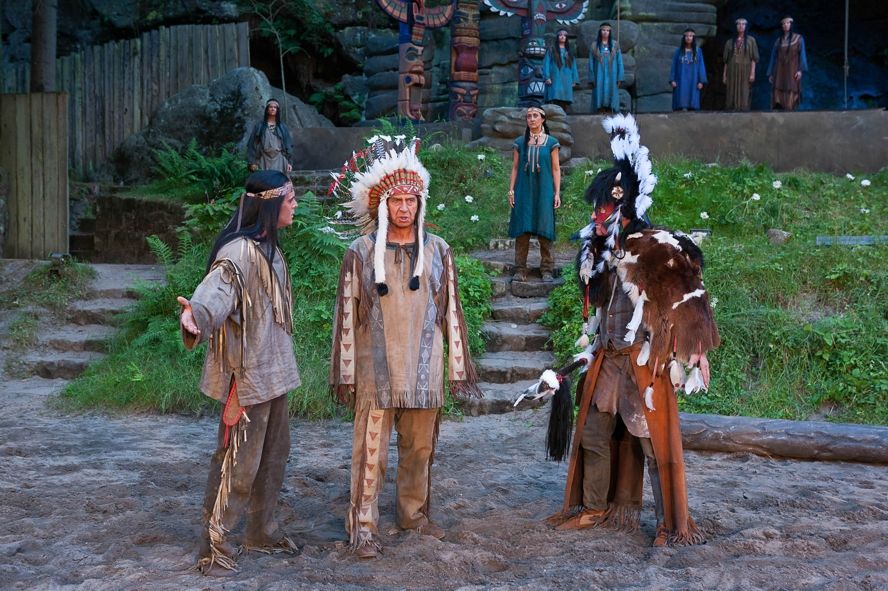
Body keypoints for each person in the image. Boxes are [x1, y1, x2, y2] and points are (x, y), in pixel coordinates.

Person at [546, 113, 720, 547]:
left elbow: (689, 293)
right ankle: (595, 508)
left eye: (607, 208)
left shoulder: (655, 247)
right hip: (609, 359)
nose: (598, 216)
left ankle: (669, 525)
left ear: (625, 207)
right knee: (591, 433)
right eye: (596, 209)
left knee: (652, 444)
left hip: (645, 364)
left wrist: (696, 350)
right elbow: (599, 302)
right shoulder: (600, 252)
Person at [328, 137, 482, 559]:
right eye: (396, 200)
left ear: (420, 204)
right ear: (382, 205)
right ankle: (363, 526)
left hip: (424, 370)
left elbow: (451, 313)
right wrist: (345, 373)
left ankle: (413, 517)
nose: (404, 208)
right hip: (376, 374)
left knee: (419, 450)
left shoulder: (438, 251)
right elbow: (345, 317)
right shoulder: (359, 253)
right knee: (369, 455)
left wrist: (454, 367)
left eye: (411, 200)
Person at [178, 170, 301, 575]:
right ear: (269, 205)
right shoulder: (239, 254)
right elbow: (214, 293)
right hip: (246, 377)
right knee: (237, 461)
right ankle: (212, 543)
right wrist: (196, 316)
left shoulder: (273, 251)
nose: (295, 205)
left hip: (275, 372)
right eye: (290, 199)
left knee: (273, 457)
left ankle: (259, 531)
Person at [507, 106, 561, 283]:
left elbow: (555, 169)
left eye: (535, 116)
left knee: (545, 227)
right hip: (523, 189)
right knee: (522, 229)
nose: (531, 119)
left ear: (543, 119)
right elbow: (515, 167)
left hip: (544, 190)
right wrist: (511, 190)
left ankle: (546, 269)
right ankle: (520, 269)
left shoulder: (552, 142)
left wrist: (557, 193)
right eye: (528, 116)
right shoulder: (520, 142)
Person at [767, 16, 808, 111]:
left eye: (788, 23)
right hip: (779, 71)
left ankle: (790, 111)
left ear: (791, 24)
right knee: (778, 92)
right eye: (784, 23)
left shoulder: (798, 38)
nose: (786, 25)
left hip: (792, 70)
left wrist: (800, 70)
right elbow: (773, 57)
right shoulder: (778, 41)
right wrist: (770, 73)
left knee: (791, 90)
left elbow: (802, 55)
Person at [246, 99, 294, 175]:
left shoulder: (282, 127)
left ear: (277, 110)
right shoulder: (259, 126)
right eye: (270, 107)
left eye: (275, 107)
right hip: (263, 159)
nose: (273, 109)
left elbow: (288, 144)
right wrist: (252, 162)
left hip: (280, 159)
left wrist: (290, 162)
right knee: (264, 184)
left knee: (279, 183)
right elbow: (252, 144)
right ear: (267, 109)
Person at [723, 18, 759, 111]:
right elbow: (726, 61)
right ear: (735, 26)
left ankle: (743, 110)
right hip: (732, 70)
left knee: (744, 91)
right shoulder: (729, 42)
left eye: (743, 24)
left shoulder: (751, 40)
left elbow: (754, 58)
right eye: (738, 24)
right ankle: (731, 110)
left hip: (745, 70)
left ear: (746, 26)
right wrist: (724, 75)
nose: (741, 26)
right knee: (731, 90)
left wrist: (752, 73)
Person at [588, 22, 624, 114]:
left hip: (612, 75)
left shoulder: (615, 45)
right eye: (603, 30)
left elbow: (620, 62)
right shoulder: (594, 45)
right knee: (599, 92)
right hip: (598, 75)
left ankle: (610, 110)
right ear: (600, 31)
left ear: (610, 32)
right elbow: (591, 62)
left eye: (607, 30)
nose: (605, 32)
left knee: (612, 92)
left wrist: (620, 77)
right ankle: (600, 110)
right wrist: (591, 77)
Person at [670, 28, 708, 111]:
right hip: (681, 79)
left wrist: (701, 81)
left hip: (694, 80)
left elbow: (701, 66)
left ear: (693, 38)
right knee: (680, 100)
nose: (688, 38)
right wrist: (672, 79)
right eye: (686, 36)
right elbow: (674, 66)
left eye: (691, 36)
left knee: (693, 102)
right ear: (684, 37)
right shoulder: (678, 51)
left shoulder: (698, 51)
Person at [543, 29, 580, 111]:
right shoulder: (551, 50)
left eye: (564, 35)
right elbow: (546, 64)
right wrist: (547, 77)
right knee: (555, 96)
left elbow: (574, 66)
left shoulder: (569, 52)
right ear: (557, 37)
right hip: (555, 77)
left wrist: (574, 80)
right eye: (560, 35)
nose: (562, 36)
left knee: (564, 100)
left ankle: (562, 117)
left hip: (566, 79)